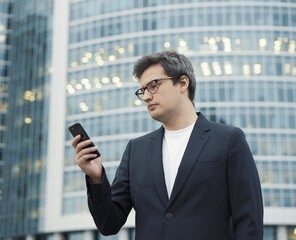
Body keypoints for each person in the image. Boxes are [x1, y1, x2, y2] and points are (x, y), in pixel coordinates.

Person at [72, 50, 264, 240]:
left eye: (153, 85)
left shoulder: (228, 140)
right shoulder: (136, 150)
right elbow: (109, 224)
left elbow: (249, 221)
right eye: (143, 90)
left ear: (182, 83)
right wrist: (96, 179)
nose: (147, 96)